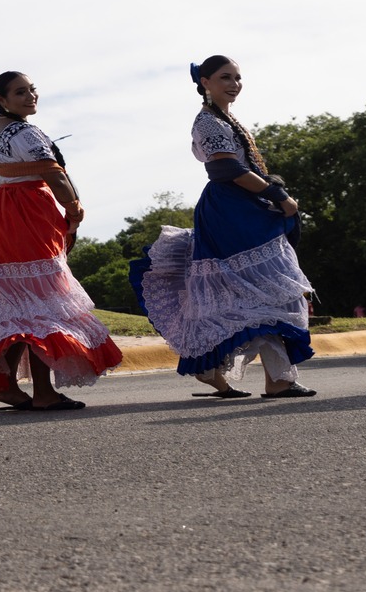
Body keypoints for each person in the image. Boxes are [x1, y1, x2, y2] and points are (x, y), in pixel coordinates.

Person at [0, 72, 122, 410]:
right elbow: (54, 174)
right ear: (1, 100)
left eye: (32, 90)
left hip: (3, 214)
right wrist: (73, 210)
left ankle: (6, 385)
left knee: (17, 304)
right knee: (42, 303)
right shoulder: (25, 132)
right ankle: (44, 393)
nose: (30, 96)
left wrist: (6, 191)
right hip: (31, 213)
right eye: (20, 92)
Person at [130, 58, 317, 399]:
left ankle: (250, 374)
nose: (234, 84)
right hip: (231, 212)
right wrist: (279, 195)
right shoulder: (207, 121)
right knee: (265, 290)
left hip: (246, 208)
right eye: (225, 77)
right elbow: (226, 170)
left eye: (237, 77)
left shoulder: (225, 119)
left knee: (268, 292)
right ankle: (260, 376)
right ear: (205, 82)